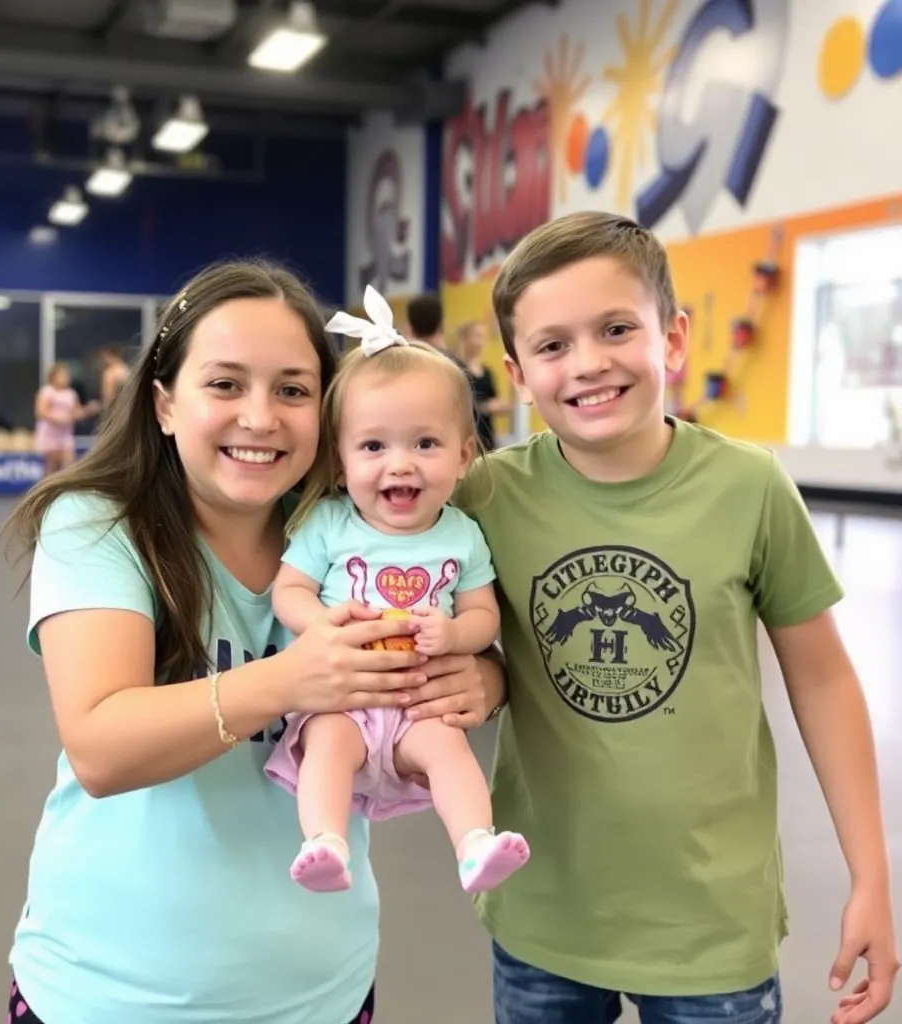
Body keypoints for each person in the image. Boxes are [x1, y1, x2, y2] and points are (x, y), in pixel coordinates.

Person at [0, 259, 506, 1024]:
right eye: (226, 384)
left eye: (293, 391)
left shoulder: (361, 525)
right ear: (166, 404)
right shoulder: (99, 527)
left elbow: (475, 633)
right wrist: (292, 680)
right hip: (110, 998)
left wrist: (484, 679)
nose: (261, 418)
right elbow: (101, 749)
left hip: (322, 994)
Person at [454, 211, 899, 1024]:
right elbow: (467, 640)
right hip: (544, 912)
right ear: (517, 373)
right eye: (552, 345)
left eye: (615, 328)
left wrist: (872, 875)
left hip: (710, 927)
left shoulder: (750, 489)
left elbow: (824, 679)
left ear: (673, 337)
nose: (588, 363)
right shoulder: (485, 496)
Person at [265, 285, 530, 897]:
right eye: (373, 446)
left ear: (464, 456)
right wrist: (323, 625)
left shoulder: (462, 534)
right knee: (327, 747)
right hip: (342, 697)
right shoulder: (329, 524)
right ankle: (325, 842)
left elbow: (484, 614)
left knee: (450, 753)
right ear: (340, 460)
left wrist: (455, 634)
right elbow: (290, 590)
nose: (400, 464)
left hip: (420, 704)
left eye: (425, 444)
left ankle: (474, 844)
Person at [34, 362, 99, 475]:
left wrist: (88, 410)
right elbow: (40, 412)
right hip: (51, 433)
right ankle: (48, 485)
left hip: (65, 434)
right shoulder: (47, 391)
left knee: (69, 463)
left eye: (66, 375)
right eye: (62, 375)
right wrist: (57, 418)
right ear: (54, 376)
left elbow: (77, 412)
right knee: (52, 466)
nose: (65, 378)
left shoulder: (71, 393)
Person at [455, 320, 510, 450]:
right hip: (466, 438)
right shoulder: (456, 370)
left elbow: (496, 400)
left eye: (483, 337)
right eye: (477, 336)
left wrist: (501, 406)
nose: (481, 341)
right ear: (465, 339)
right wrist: (484, 407)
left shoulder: (487, 372)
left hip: (487, 439)